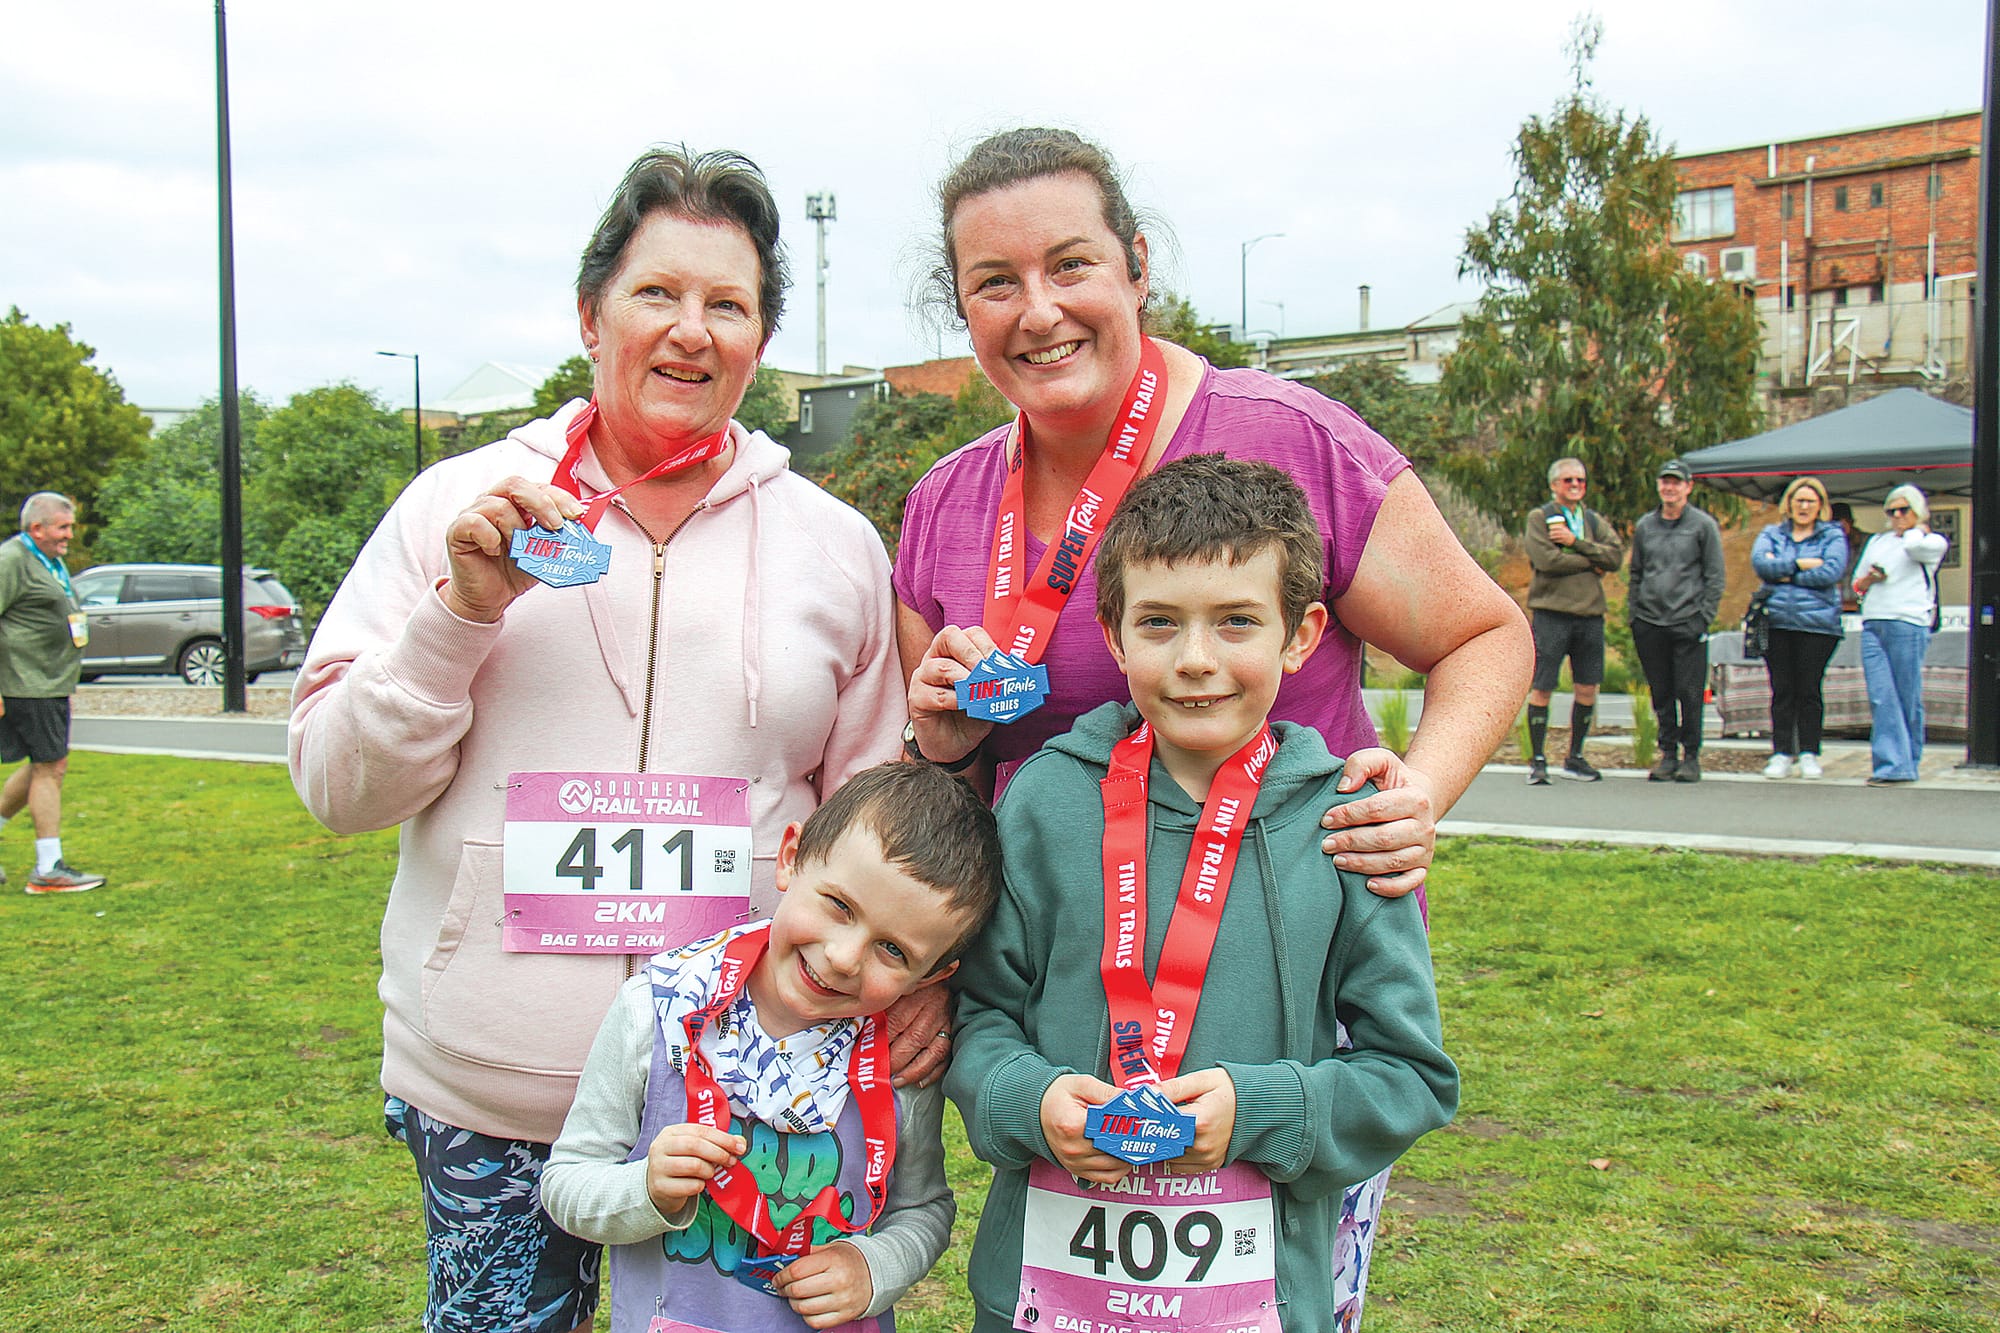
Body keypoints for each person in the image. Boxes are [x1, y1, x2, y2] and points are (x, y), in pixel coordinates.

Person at [892, 129, 1519, 1325]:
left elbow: (1482, 634)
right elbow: (932, 779)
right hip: (1065, 993)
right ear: (960, 305)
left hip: (1281, 987)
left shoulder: (1288, 438)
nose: (1038, 311)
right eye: (994, 282)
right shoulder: (945, 502)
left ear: (1135, 266)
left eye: (1070, 265)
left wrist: (1411, 802)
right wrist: (937, 743)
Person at [290, 146, 909, 1333]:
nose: (691, 330)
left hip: (743, 1102)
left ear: (760, 343)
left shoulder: (835, 546)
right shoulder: (456, 507)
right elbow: (336, 785)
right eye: (656, 294)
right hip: (493, 1094)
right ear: (589, 315)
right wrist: (460, 613)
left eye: (727, 304)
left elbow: (874, 810)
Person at [946, 457, 1457, 1333]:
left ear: (1300, 635)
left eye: (1236, 623)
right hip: (1047, 1300)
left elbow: (1410, 1075)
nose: (1195, 660)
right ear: (1112, 634)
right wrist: (1029, 1100)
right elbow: (976, 1018)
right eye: (1159, 622)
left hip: (1251, 1304)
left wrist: (1262, 1110)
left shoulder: (1346, 822)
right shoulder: (1042, 800)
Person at [542, 762, 1000, 1333]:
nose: (842, 957)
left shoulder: (899, 1065)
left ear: (934, 976)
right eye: (839, 906)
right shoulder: (655, 1013)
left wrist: (872, 1266)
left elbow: (923, 1210)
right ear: (791, 856)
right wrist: (646, 1187)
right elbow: (566, 1185)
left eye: (893, 951)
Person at [0, 492, 106, 894]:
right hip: (26, 683)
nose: (69, 536)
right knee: (49, 766)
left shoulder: (49, 559)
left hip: (48, 681)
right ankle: (48, 870)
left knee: (45, 763)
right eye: (62, 527)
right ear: (36, 528)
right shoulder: (12, 561)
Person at [1520, 457, 1625, 785]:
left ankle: (1575, 756)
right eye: (1568, 480)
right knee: (1542, 687)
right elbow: (1547, 561)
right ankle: (1538, 761)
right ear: (1554, 485)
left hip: (1590, 616)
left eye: (1580, 480)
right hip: (1552, 615)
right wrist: (1591, 561)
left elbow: (1615, 557)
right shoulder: (1541, 518)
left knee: (1587, 687)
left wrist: (1575, 544)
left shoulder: (1591, 520)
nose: (1575, 485)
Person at [1628, 460, 1726, 783]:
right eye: (1665, 482)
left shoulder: (1702, 526)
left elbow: (1715, 576)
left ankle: (1691, 755)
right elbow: (1636, 573)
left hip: (1687, 621)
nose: (1670, 488)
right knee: (1662, 691)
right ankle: (1667, 753)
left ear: (1688, 487)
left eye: (1676, 483)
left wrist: (1704, 618)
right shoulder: (1646, 526)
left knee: (1690, 691)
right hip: (1650, 621)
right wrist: (1635, 615)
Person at [1750, 476, 1848, 780]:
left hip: (1817, 625)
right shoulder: (1771, 533)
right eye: (1799, 500)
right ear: (1789, 504)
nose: (1804, 506)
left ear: (1820, 506)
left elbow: (1831, 571)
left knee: (1808, 690)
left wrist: (1784, 572)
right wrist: (1802, 565)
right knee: (1782, 690)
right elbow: (1761, 566)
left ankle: (1809, 752)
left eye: (1810, 501)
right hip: (1777, 621)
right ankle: (1781, 752)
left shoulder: (1832, 535)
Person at [1852, 484, 1949, 786]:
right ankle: (1891, 764)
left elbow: (1915, 550)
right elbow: (1857, 583)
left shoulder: (1930, 540)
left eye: (1903, 509)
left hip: (1907, 622)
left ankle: (1906, 761)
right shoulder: (1878, 541)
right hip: (1874, 621)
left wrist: (1914, 528)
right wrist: (1871, 578)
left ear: (1917, 510)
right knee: (1882, 695)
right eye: (1891, 511)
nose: (1896, 516)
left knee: (1906, 695)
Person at [1831, 502, 1869, 615]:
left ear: (1851, 523)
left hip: (1864, 607)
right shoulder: (1829, 545)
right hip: (1837, 607)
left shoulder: (1870, 543)